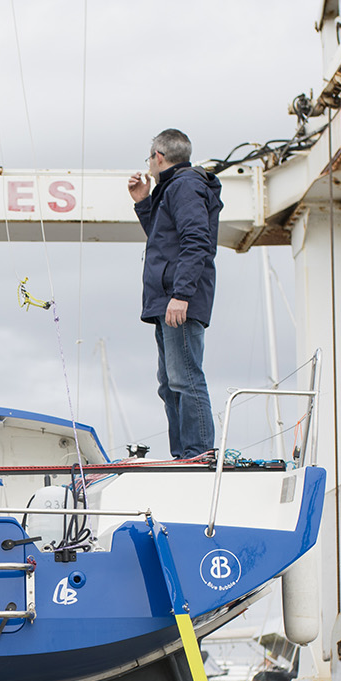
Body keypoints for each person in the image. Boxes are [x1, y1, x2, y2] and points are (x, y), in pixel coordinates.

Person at [128, 128, 223, 460]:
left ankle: (197, 452)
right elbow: (164, 238)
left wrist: (181, 294)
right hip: (168, 298)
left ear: (158, 156)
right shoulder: (174, 189)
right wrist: (143, 202)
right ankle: (184, 453)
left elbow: (196, 240)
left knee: (184, 378)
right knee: (169, 382)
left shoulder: (184, 186)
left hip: (178, 299)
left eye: (149, 160)